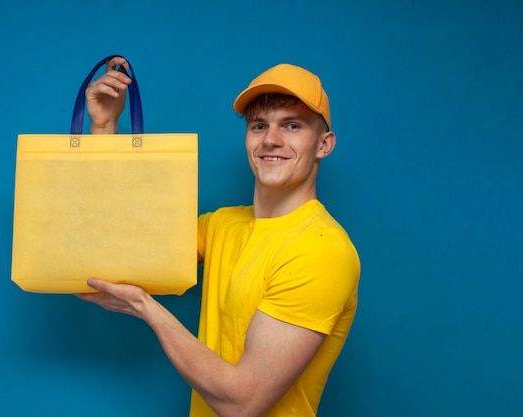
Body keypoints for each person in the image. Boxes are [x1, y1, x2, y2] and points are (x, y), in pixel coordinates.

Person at [77, 56, 361, 417]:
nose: (271, 140)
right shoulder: (222, 225)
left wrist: (147, 309)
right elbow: (114, 242)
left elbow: (243, 403)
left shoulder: (321, 250)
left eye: (292, 126)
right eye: (259, 126)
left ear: (324, 144)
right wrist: (104, 126)